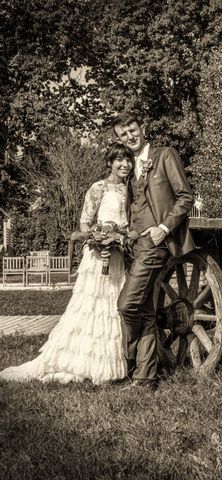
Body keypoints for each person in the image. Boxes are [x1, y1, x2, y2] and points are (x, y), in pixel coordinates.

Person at [0, 143, 134, 384]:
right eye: (119, 160)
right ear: (109, 163)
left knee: (116, 305)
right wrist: (99, 238)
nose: (125, 165)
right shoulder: (98, 188)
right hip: (98, 258)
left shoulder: (133, 190)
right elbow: (84, 223)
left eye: (128, 160)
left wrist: (120, 239)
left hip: (120, 257)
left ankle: (117, 362)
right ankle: (85, 362)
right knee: (93, 307)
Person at [112, 112, 195, 390]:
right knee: (146, 310)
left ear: (142, 128)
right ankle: (145, 379)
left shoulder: (164, 155)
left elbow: (185, 196)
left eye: (132, 130)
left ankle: (129, 359)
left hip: (156, 244)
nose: (130, 137)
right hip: (135, 245)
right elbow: (134, 206)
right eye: (123, 135)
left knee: (126, 305)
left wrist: (164, 227)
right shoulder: (129, 166)